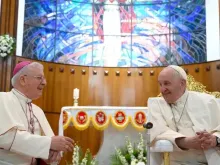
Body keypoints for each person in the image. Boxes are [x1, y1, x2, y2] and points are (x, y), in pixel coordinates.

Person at [0, 61, 74, 165]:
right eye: (39, 78)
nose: (44, 82)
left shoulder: (37, 110)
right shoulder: (3, 99)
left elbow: (52, 145)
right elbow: (6, 138)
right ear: (23, 80)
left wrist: (51, 154)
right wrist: (49, 144)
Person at [148, 65, 220, 165]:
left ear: (182, 83)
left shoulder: (207, 101)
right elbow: (157, 132)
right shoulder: (156, 104)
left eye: (166, 84)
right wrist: (185, 142)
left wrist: (215, 139)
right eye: (160, 84)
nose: (162, 89)